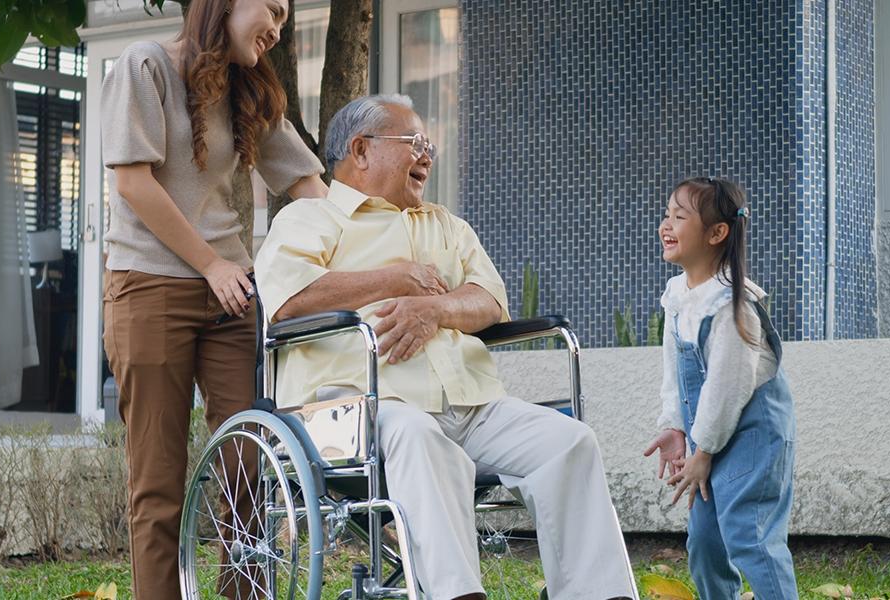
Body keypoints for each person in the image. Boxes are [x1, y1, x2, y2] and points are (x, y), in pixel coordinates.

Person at [255, 94, 637, 600]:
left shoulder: (445, 225)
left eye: (430, 144)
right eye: (413, 142)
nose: (427, 155)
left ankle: (596, 595)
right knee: (419, 436)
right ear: (361, 150)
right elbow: (288, 300)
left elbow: (489, 299)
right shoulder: (311, 219)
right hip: (357, 409)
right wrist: (393, 279)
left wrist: (435, 309)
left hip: (469, 403)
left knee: (568, 441)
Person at [99, 0, 327, 597]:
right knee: (158, 483)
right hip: (150, 288)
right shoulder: (144, 65)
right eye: (272, 10)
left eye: (285, 18)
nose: (277, 29)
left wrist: (370, 247)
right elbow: (132, 181)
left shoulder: (247, 92)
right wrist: (209, 264)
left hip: (232, 299)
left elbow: (307, 187)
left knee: (249, 463)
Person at [644, 177, 798, 599]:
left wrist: (703, 451)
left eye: (680, 216)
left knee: (750, 537)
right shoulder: (679, 294)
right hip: (707, 442)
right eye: (666, 214)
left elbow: (727, 388)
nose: (666, 224)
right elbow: (674, 369)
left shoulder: (732, 306)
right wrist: (675, 425)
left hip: (752, 437)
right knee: (706, 543)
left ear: (716, 233)